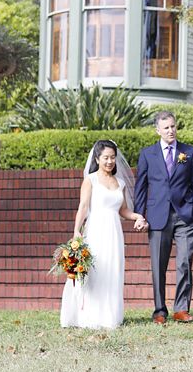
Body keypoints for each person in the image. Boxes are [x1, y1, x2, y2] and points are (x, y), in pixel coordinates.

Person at [60, 139, 147, 330]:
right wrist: (76, 231)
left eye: (112, 157)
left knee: (112, 271)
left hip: (114, 234)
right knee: (95, 271)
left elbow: (123, 210)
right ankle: (88, 316)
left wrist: (137, 216)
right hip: (95, 231)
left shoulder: (120, 183)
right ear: (97, 159)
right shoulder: (90, 180)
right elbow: (83, 207)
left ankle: (110, 316)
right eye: (106, 157)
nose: (110, 161)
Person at [134, 111, 193, 324]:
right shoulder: (147, 154)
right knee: (158, 265)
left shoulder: (189, 152)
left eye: (173, 126)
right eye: (166, 128)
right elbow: (141, 187)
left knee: (184, 261)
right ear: (158, 130)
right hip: (157, 216)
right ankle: (159, 311)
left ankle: (181, 309)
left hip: (185, 216)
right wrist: (140, 215)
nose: (171, 130)